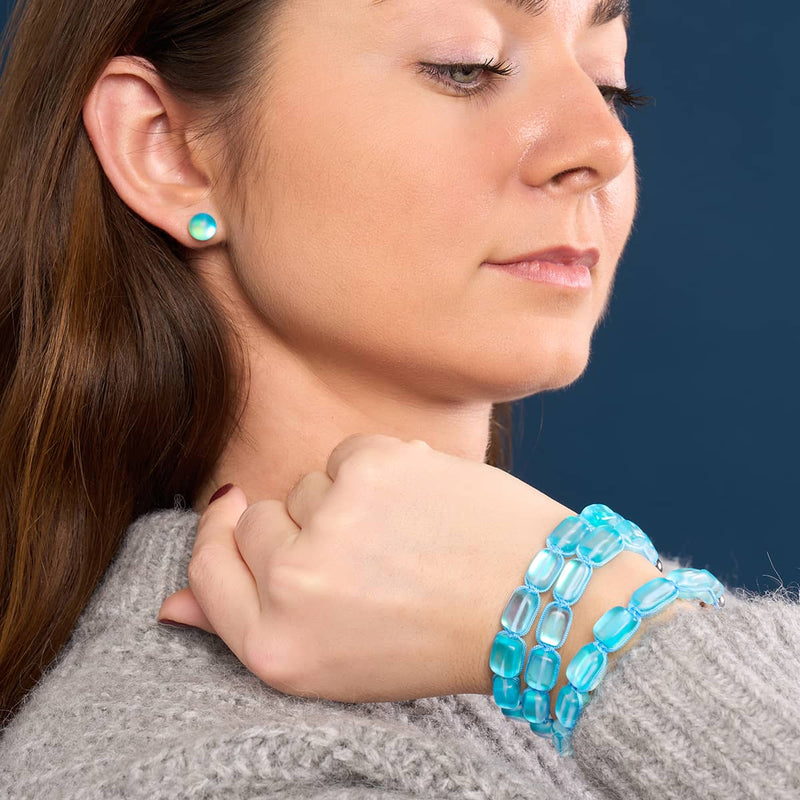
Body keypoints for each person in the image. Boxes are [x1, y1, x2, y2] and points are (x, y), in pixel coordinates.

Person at [0, 0, 797, 797]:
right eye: (465, 66)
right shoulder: (229, 776)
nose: (602, 144)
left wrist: (590, 612)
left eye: (608, 83)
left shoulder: (606, 624)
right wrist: (582, 611)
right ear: (169, 150)